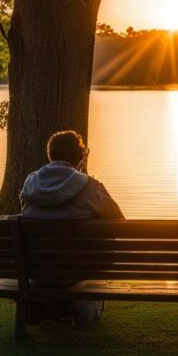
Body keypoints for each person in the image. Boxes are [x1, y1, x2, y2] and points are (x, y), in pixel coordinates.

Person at [20, 130, 125, 327]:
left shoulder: (30, 184)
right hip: (77, 273)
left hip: (38, 273)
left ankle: (53, 307)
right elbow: (119, 222)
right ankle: (70, 308)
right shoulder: (91, 187)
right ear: (79, 157)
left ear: (50, 155)